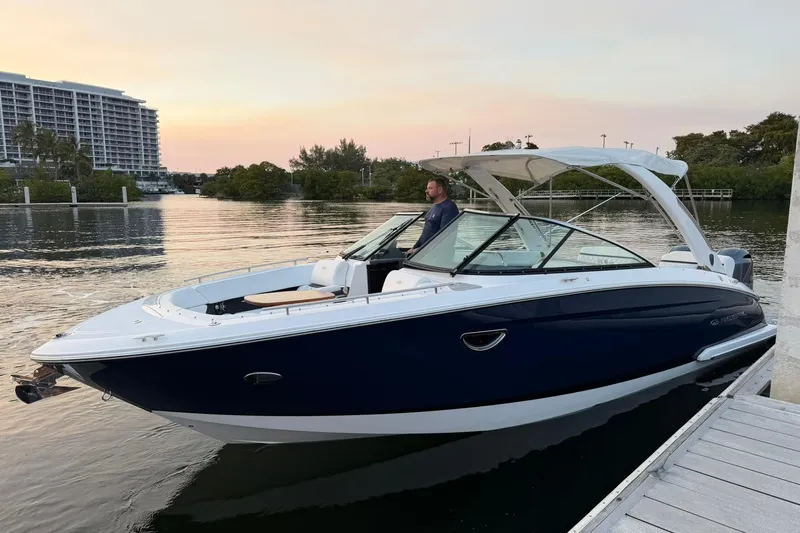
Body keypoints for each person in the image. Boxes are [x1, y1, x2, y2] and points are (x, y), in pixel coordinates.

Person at [406, 176, 458, 255]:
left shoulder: (449, 208)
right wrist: (414, 248)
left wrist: (419, 250)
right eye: (427, 188)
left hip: (438, 256)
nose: (426, 191)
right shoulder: (434, 206)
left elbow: (444, 236)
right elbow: (425, 233)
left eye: (430, 188)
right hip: (425, 253)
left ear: (440, 190)